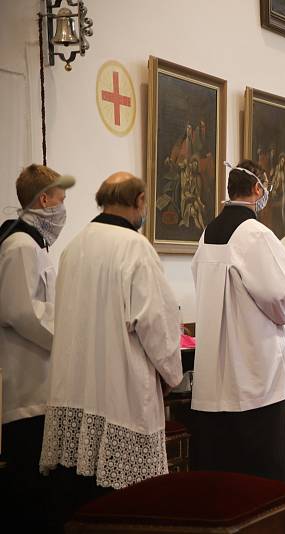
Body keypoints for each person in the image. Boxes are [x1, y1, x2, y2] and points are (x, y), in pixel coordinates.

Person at [39, 172, 183, 526]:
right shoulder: (135, 248)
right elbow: (155, 323)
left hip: (77, 388)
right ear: (139, 202)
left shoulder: (74, 246)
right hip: (122, 391)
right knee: (126, 507)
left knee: (81, 499)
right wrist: (172, 374)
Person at [190, 160, 285, 487]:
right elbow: (278, 293)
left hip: (216, 361)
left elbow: (200, 278)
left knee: (226, 458)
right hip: (255, 357)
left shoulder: (208, 231)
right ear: (257, 189)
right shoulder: (254, 233)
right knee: (263, 455)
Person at [0, 164, 67, 529]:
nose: (62, 208)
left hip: (38, 384)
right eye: (61, 198)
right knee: (27, 491)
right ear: (44, 200)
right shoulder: (20, 245)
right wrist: (70, 331)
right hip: (25, 387)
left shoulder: (30, 243)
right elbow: (20, 310)